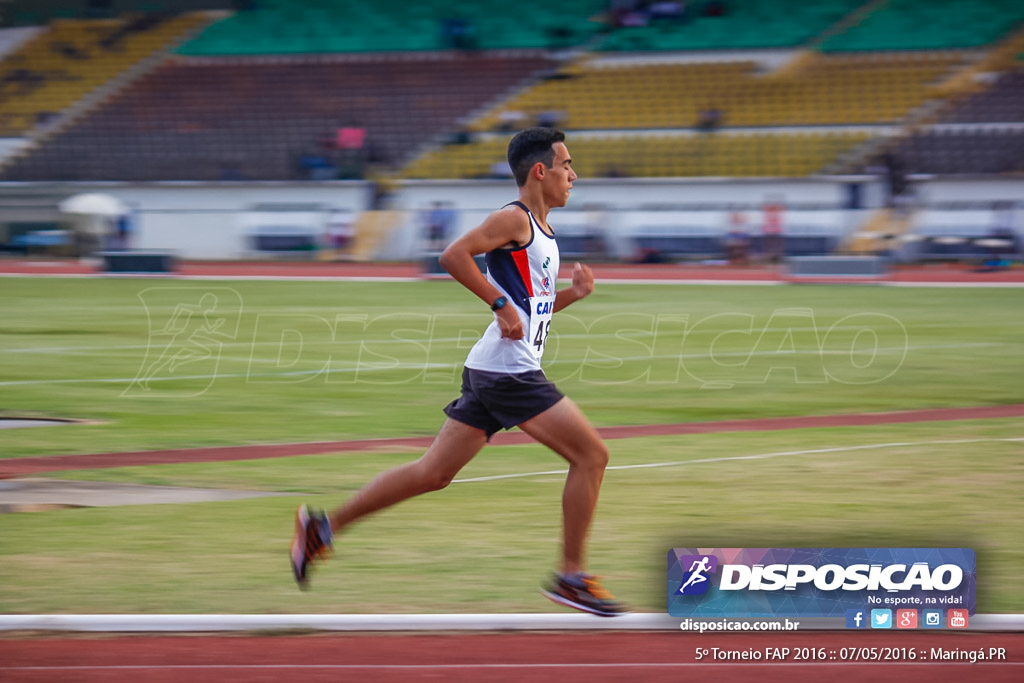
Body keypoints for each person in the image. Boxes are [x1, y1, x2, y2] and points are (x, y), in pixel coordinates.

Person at [290, 127, 627, 617]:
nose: (573, 175)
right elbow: (453, 255)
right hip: (508, 373)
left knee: (434, 472)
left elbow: (530, 309)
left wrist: (572, 295)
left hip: (492, 367)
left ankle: (323, 527)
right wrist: (496, 304)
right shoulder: (514, 219)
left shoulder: (543, 234)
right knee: (592, 457)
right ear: (540, 170)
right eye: (567, 165)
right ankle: (571, 576)